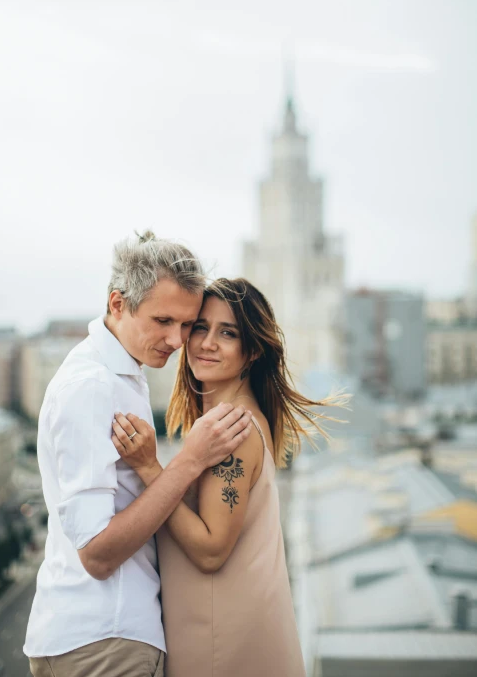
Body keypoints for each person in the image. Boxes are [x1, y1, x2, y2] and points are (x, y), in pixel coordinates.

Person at [24, 233, 253, 677]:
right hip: (105, 642)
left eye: (187, 324)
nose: (177, 339)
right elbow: (98, 554)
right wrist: (189, 460)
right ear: (117, 304)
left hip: (103, 637)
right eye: (163, 320)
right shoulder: (93, 385)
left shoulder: (122, 371)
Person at [113, 277, 346, 677]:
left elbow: (211, 549)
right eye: (200, 327)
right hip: (221, 627)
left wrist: (150, 468)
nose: (206, 343)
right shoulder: (229, 421)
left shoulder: (231, 430)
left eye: (228, 333)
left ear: (252, 350)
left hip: (219, 640)